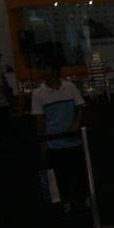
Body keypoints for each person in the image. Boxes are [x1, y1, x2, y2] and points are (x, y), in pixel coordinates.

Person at [31, 58, 87, 219]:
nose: (43, 72)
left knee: (79, 172)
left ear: (55, 71)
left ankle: (84, 199)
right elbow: (39, 119)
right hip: (54, 142)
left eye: (46, 69)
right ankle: (66, 202)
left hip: (73, 140)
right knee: (60, 175)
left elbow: (80, 106)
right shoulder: (38, 93)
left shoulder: (69, 87)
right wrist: (43, 141)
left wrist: (76, 123)